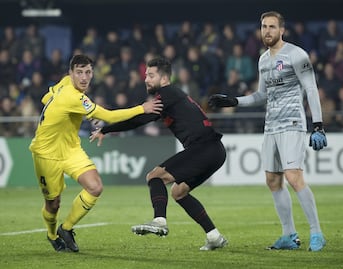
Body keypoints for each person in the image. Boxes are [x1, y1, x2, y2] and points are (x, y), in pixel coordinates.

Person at [208, 11, 327, 252]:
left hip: (292, 123)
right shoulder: (263, 60)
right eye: (264, 27)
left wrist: (318, 125)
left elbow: (311, 89)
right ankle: (289, 235)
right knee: (273, 180)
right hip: (271, 126)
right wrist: (235, 101)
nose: (267, 31)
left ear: (282, 30)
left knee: (293, 177)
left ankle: (317, 233)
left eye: (272, 27)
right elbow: (262, 95)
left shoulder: (296, 54)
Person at [90, 56, 228, 251]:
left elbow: (139, 119)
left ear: (164, 79)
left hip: (204, 147)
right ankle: (214, 236)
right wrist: (107, 129)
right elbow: (140, 118)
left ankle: (159, 221)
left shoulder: (167, 93)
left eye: (151, 75)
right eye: (146, 75)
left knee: (154, 176)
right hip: (214, 151)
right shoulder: (170, 96)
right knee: (179, 192)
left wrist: (106, 129)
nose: (146, 79)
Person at [28, 54, 162, 252]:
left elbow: (46, 97)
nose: (84, 77)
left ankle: (66, 229)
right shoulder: (72, 96)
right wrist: (142, 108)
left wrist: (85, 114)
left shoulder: (65, 84)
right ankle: (52, 234)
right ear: (71, 73)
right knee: (53, 204)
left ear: (93, 73)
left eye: (88, 72)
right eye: (79, 73)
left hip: (71, 148)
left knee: (95, 187)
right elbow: (108, 115)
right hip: (46, 154)